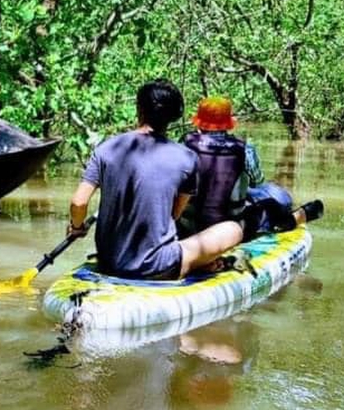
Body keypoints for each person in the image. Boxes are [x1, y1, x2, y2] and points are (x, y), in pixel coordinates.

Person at [67, 80, 249, 280]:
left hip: (108, 262)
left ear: (139, 109)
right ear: (173, 116)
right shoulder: (186, 158)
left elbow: (78, 202)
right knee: (233, 230)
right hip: (158, 266)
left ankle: (195, 263)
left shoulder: (106, 148)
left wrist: (77, 227)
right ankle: (197, 265)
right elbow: (173, 215)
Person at [177, 95, 323, 241]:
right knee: (273, 203)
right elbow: (258, 181)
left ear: (199, 122)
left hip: (187, 227)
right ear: (228, 123)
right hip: (231, 230)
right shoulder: (244, 148)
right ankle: (295, 218)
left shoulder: (184, 143)